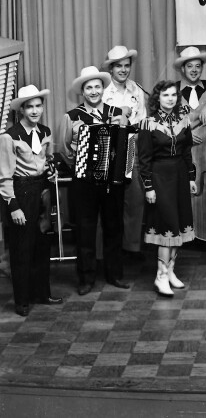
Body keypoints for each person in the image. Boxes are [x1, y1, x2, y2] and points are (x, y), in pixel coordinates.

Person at [61, 65, 131, 295]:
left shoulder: (117, 113)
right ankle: (86, 278)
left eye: (97, 87)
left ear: (103, 88)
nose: (93, 91)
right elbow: (65, 152)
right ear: (82, 91)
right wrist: (83, 166)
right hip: (84, 183)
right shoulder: (71, 117)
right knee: (85, 230)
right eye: (88, 87)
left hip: (112, 182)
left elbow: (127, 143)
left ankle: (115, 274)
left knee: (114, 227)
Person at [0, 85, 62, 317]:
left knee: (42, 245)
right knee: (21, 248)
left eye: (38, 106)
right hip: (21, 191)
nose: (35, 110)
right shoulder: (9, 136)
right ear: (22, 110)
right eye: (30, 107)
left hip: (42, 191)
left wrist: (50, 172)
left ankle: (42, 293)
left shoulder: (45, 131)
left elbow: (45, 161)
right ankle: (22, 300)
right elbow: (4, 175)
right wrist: (13, 206)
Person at [138, 80, 198, 297]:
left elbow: (187, 152)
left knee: (179, 226)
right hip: (160, 178)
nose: (170, 98)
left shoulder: (184, 120)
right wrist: (149, 187)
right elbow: (143, 160)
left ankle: (170, 271)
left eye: (173, 95)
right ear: (157, 98)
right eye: (166, 95)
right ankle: (160, 276)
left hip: (180, 177)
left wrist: (191, 178)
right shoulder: (148, 123)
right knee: (167, 226)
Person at [101, 45, 148, 261]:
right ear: (110, 69)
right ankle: (109, 251)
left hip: (130, 145)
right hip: (108, 147)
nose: (123, 69)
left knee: (134, 197)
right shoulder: (102, 91)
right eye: (118, 66)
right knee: (109, 199)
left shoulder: (136, 89)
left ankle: (131, 247)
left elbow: (143, 120)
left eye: (126, 65)